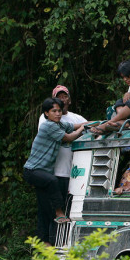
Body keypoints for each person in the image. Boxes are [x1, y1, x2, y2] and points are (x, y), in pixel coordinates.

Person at [24, 97, 86, 242]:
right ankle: (59, 213)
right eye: (54, 111)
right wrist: (83, 129)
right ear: (46, 113)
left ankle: (45, 245)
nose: (58, 114)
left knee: (45, 209)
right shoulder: (48, 126)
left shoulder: (59, 124)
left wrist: (95, 123)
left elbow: (76, 125)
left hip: (42, 173)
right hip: (33, 171)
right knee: (53, 181)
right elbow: (70, 137)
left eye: (59, 111)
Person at [36, 86, 87, 222]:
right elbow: (69, 136)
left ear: (69, 100)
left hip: (75, 173)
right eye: (59, 97)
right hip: (54, 171)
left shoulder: (77, 118)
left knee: (72, 210)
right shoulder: (46, 120)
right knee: (52, 211)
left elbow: (87, 126)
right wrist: (81, 129)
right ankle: (50, 242)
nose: (62, 100)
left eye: (65, 96)